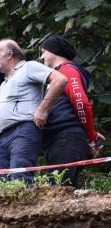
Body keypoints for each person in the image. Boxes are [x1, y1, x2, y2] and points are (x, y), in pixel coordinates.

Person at [0, 39, 68, 185]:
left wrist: (42, 109)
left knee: (19, 179)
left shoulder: (28, 67)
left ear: (9, 55)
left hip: (22, 131)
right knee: (3, 186)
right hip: (3, 137)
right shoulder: (4, 82)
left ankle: (25, 207)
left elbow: (60, 79)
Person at [40, 35, 105, 186]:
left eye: (43, 51)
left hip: (66, 139)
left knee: (60, 191)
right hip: (59, 141)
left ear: (54, 51)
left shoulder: (67, 70)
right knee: (63, 190)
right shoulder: (57, 74)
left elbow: (81, 103)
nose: (41, 56)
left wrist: (91, 136)